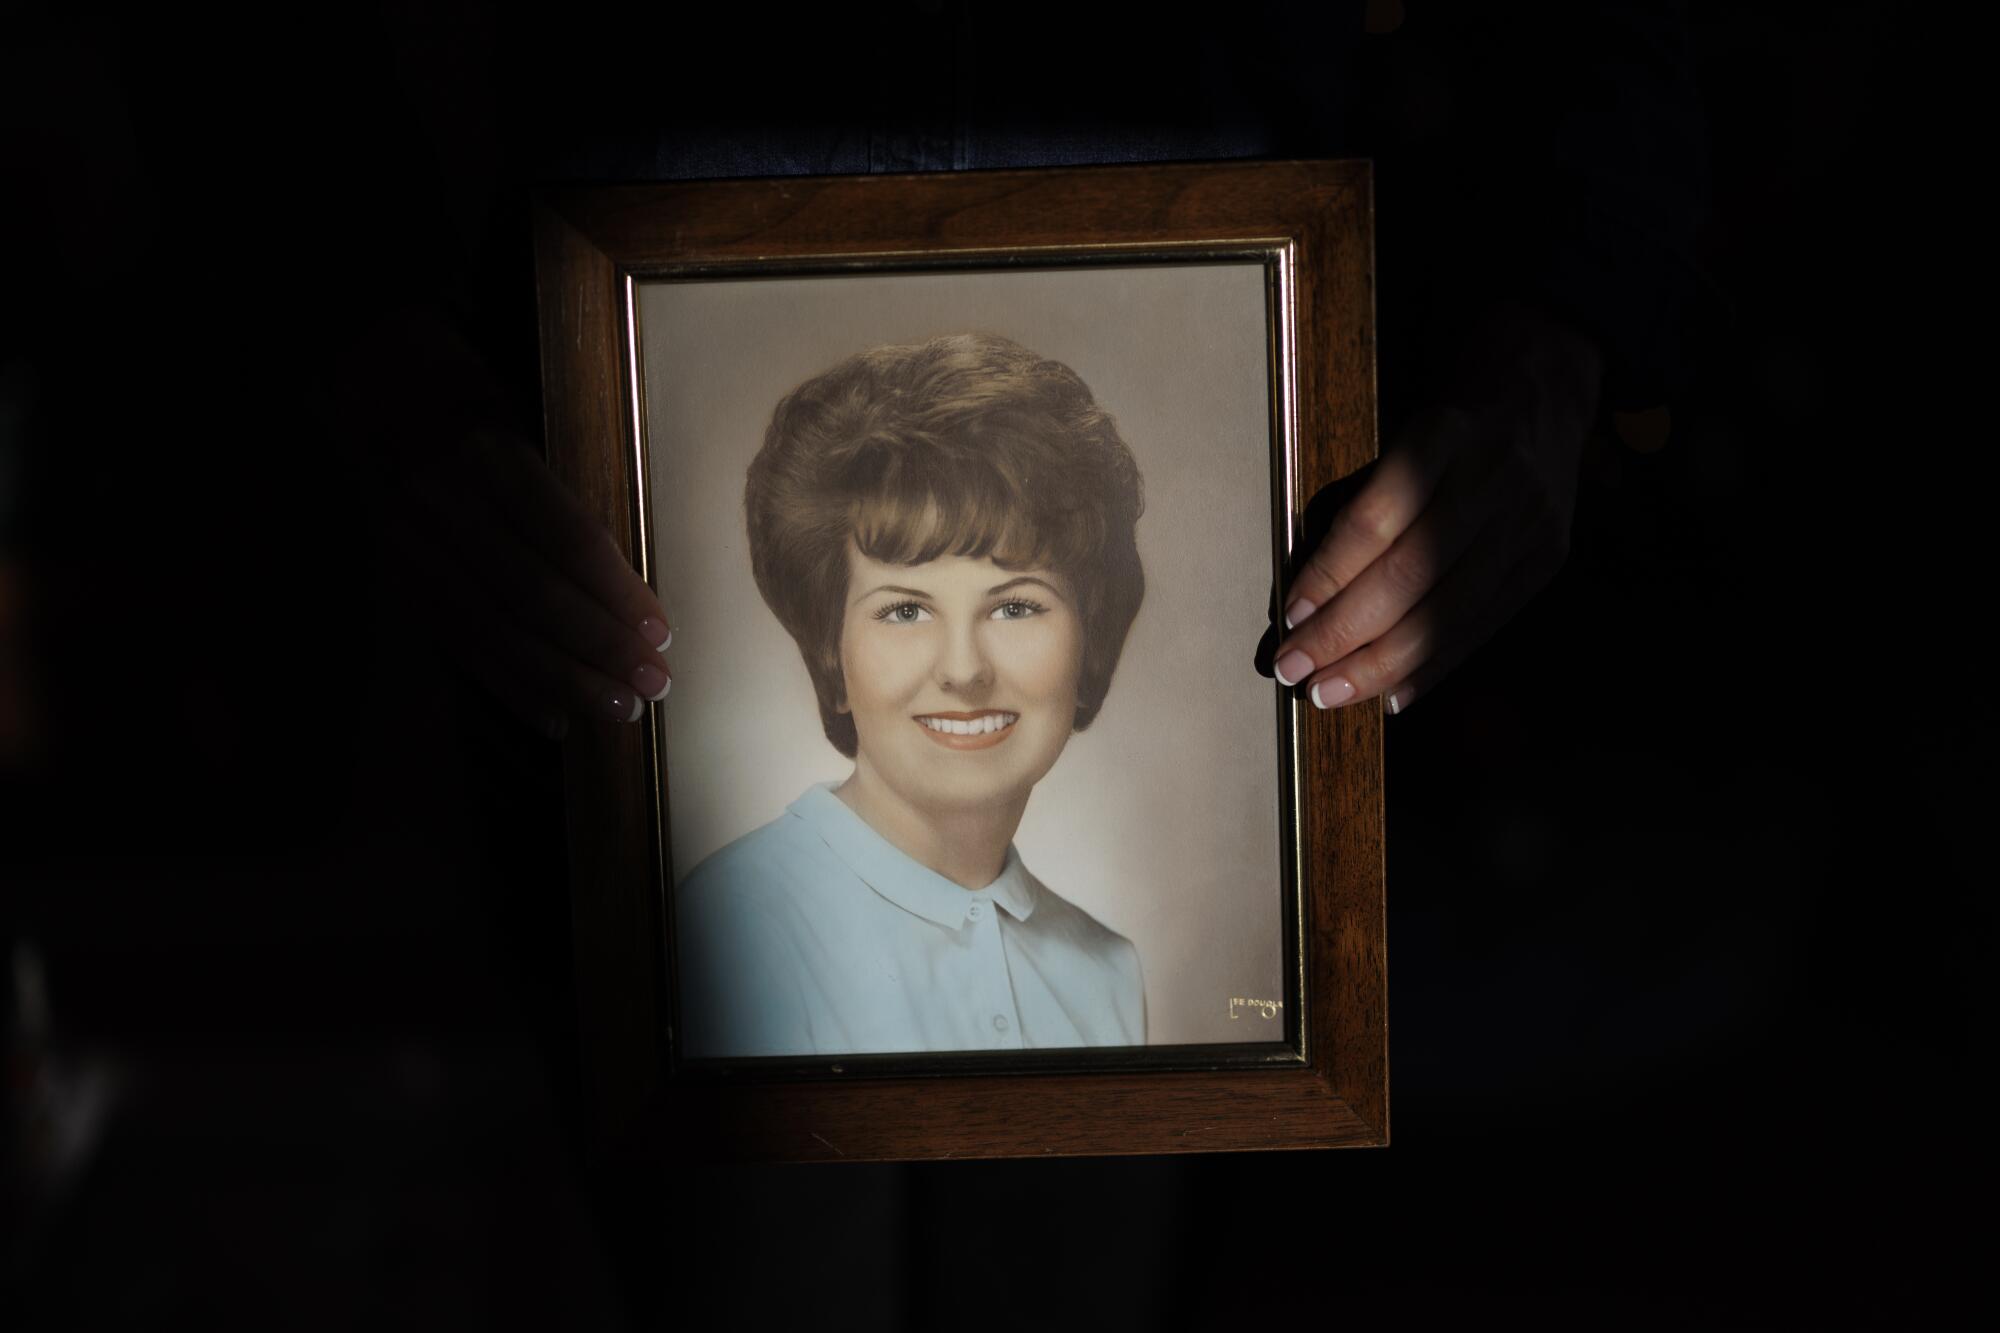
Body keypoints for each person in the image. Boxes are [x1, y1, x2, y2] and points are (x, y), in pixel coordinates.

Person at [673, 333, 1147, 1058]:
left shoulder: (1105, 974)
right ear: (830, 645)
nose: (963, 669)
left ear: (1091, 634)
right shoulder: (724, 931)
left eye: (1016, 605)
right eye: (904, 609)